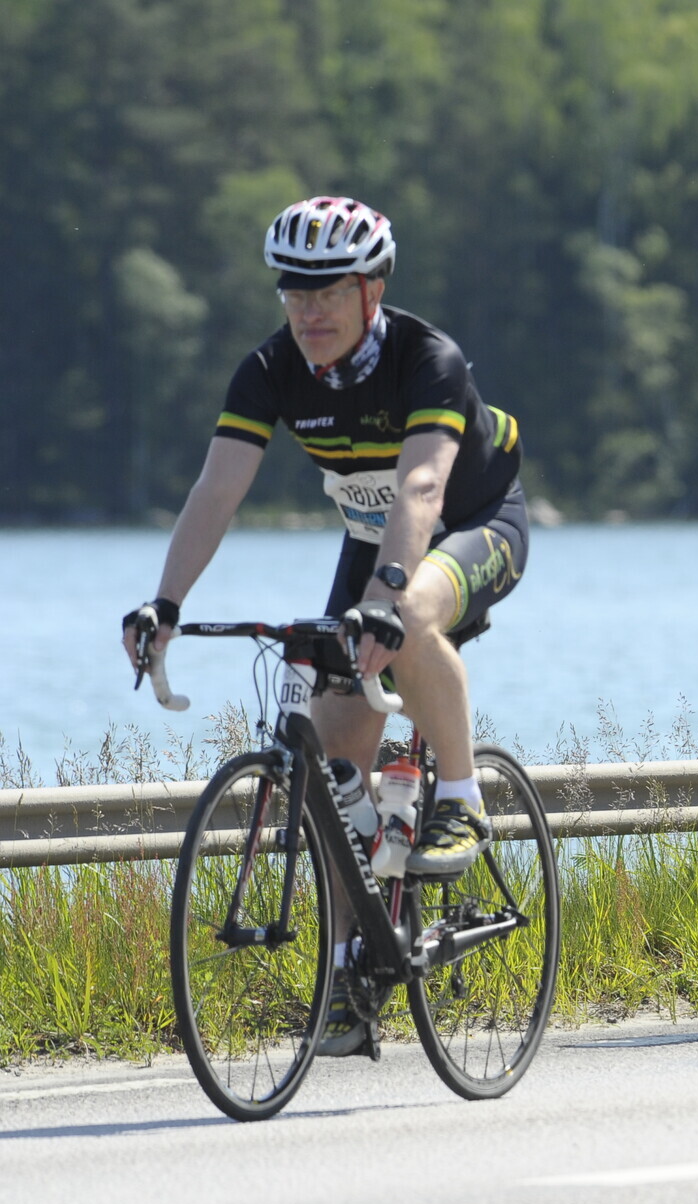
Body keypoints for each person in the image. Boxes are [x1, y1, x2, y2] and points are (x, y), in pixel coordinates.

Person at [121, 196, 530, 1052]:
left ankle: (461, 798)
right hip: (371, 538)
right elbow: (217, 490)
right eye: (294, 291)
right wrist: (166, 602)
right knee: (334, 763)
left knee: (409, 613)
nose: (308, 311)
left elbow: (421, 489)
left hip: (472, 521)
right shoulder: (270, 370)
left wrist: (387, 595)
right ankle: (352, 964)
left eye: (329, 292)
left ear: (372, 290)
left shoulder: (429, 360)